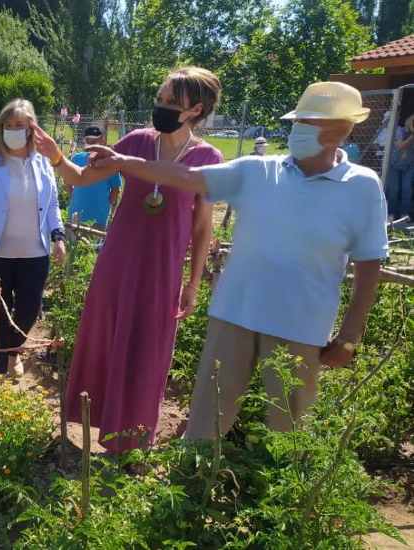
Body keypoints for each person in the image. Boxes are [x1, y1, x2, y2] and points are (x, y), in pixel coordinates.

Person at [85, 81, 387, 439]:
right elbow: (185, 176)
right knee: (208, 416)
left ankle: (276, 495)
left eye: (310, 123)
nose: (297, 131)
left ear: (340, 130)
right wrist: (124, 162)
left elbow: (369, 261)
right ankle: (192, 483)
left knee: (287, 425)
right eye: (297, 122)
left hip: (300, 325)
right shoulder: (258, 171)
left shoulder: (362, 186)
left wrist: (350, 334)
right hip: (234, 314)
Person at [32, 67, 224, 453]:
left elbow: (203, 227)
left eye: (172, 102)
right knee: (103, 338)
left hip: (162, 270)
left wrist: (192, 281)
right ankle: (91, 423)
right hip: (117, 263)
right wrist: (55, 156)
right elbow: (81, 178)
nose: (161, 107)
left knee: (148, 350)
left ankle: (132, 442)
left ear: (196, 109)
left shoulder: (208, 157)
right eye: (160, 98)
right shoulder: (135, 142)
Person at [0, 98, 66, 377]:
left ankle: (12, 352)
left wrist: (58, 237)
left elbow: (52, 203)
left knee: (30, 309)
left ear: (31, 128)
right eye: (8, 125)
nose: (13, 130)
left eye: (19, 125)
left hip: (34, 253)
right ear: (0, 128)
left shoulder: (43, 162)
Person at [68, 126, 122, 230]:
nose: (92, 144)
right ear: (84, 140)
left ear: (102, 141)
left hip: (98, 220)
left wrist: (105, 206)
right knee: (73, 244)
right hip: (76, 216)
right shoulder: (76, 158)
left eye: (95, 141)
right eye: (89, 140)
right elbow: (68, 182)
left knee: (94, 245)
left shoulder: (109, 162)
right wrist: (74, 198)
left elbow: (116, 190)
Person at [384, 114, 414, 222]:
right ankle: (391, 213)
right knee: (393, 189)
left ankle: (404, 214)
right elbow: (401, 146)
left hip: (409, 165)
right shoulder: (399, 131)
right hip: (394, 164)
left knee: (406, 189)